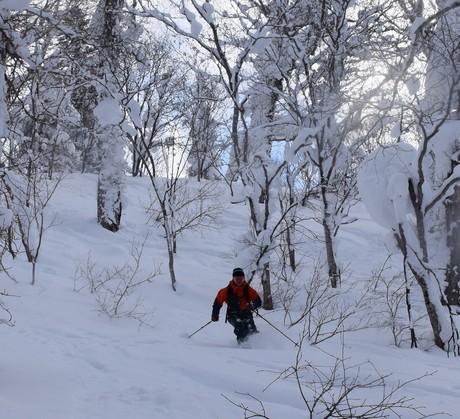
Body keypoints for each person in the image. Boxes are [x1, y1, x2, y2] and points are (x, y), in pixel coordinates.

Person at [211, 267, 262, 345]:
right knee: (240, 326)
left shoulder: (248, 289)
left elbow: (258, 301)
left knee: (251, 329)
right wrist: (215, 314)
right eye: (236, 279)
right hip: (233, 314)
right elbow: (217, 303)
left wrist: (252, 306)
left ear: (243, 278)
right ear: (233, 278)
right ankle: (243, 344)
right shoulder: (225, 291)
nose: (239, 281)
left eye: (240, 279)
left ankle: (258, 345)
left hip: (246, 313)